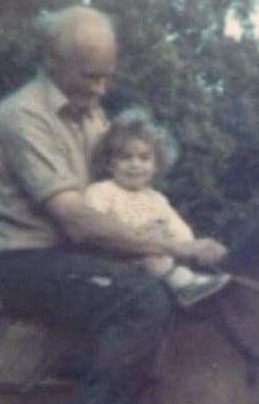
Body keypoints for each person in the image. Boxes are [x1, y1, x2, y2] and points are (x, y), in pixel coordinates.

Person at [0, 5, 227, 404]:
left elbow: (119, 198)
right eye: (89, 75)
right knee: (141, 300)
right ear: (52, 61)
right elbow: (77, 219)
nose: (101, 88)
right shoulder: (23, 117)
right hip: (27, 261)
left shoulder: (94, 114)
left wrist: (161, 232)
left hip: (79, 258)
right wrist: (178, 248)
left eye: (107, 75)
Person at [86, 107, 229, 307]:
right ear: (110, 164)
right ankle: (184, 287)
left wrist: (190, 246)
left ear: (155, 165)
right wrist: (137, 235)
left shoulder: (156, 199)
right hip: (118, 260)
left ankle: (186, 280)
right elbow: (95, 227)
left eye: (144, 158)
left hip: (162, 260)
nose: (135, 165)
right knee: (151, 258)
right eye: (126, 157)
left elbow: (181, 233)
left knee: (174, 256)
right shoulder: (102, 191)